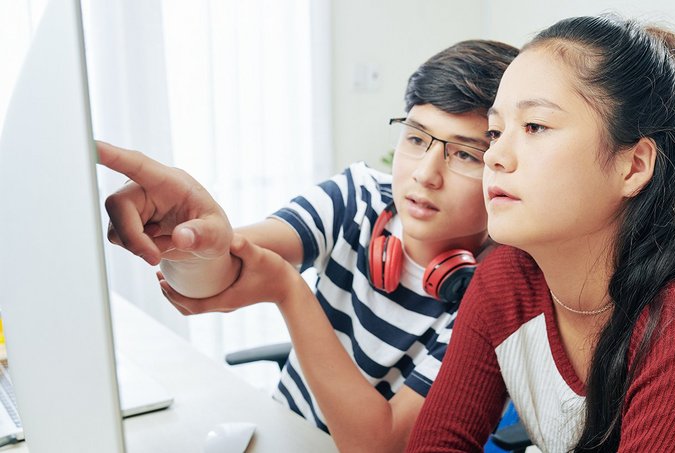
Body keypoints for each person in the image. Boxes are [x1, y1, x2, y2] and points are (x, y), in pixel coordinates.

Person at [99, 39, 518, 452]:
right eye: (415, 138)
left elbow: (378, 445)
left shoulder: (494, 296)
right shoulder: (358, 198)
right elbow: (221, 270)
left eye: (465, 155)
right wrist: (187, 232)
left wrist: (289, 291)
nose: (425, 174)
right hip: (282, 434)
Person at [406, 15, 675, 453]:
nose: (495, 155)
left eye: (535, 126)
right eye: (495, 132)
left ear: (633, 166)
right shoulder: (506, 280)